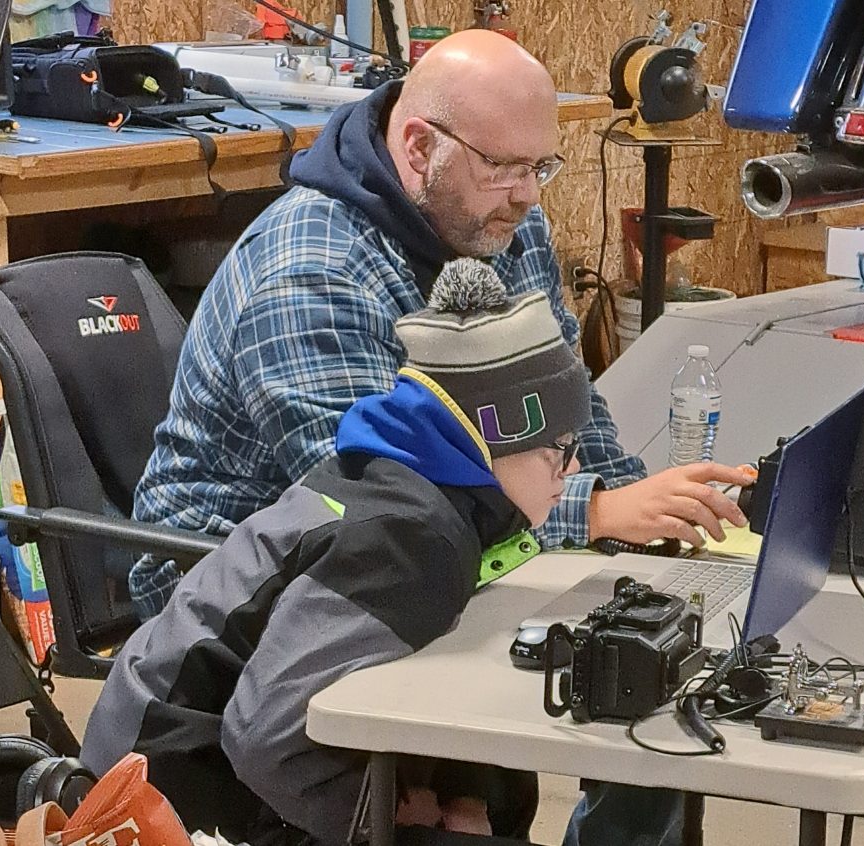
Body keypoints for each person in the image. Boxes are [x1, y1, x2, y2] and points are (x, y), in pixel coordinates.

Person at [128, 27, 752, 846]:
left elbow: (565, 405)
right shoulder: (310, 269)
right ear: (420, 147)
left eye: (541, 167)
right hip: (252, 581)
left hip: (425, 539)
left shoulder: (496, 221)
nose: (528, 197)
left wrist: (643, 512)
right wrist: (597, 513)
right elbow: (366, 501)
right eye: (505, 167)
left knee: (653, 659)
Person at [81, 260, 595, 846]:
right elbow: (264, 739)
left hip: (173, 739)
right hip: (164, 790)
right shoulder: (406, 540)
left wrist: (461, 795)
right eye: (560, 446)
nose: (573, 465)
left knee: (496, 789)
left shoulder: (399, 483)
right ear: (491, 437)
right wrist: (385, 819)